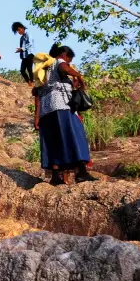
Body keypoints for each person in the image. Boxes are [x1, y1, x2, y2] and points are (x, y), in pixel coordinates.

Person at [35, 46, 96, 185]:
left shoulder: (43, 71)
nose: (69, 63)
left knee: (53, 141)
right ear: (64, 54)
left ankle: (56, 176)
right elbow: (64, 68)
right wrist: (79, 75)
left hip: (46, 111)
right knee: (75, 136)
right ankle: (82, 172)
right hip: (61, 108)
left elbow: (36, 93)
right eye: (69, 59)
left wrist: (37, 116)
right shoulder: (58, 62)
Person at [12, 22, 35, 86]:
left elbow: (30, 43)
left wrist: (22, 49)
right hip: (24, 55)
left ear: (22, 28)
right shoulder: (21, 38)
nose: (19, 32)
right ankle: (29, 82)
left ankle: (32, 82)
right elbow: (22, 47)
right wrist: (20, 50)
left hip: (30, 53)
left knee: (29, 69)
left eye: (19, 30)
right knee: (22, 70)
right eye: (17, 31)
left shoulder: (28, 34)